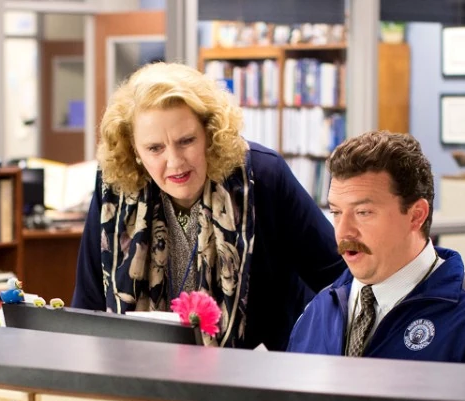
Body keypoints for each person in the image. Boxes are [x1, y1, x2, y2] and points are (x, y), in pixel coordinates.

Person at [71, 62, 345, 350]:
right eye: (155, 148)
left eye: (186, 141)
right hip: (139, 366)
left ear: (210, 133)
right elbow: (88, 302)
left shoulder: (263, 175)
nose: (175, 162)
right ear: (134, 150)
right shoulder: (114, 188)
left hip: (255, 369)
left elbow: (338, 279)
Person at [287, 131, 465, 366]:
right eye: (337, 212)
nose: (344, 231)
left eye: (363, 212)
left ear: (416, 216)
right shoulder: (317, 312)